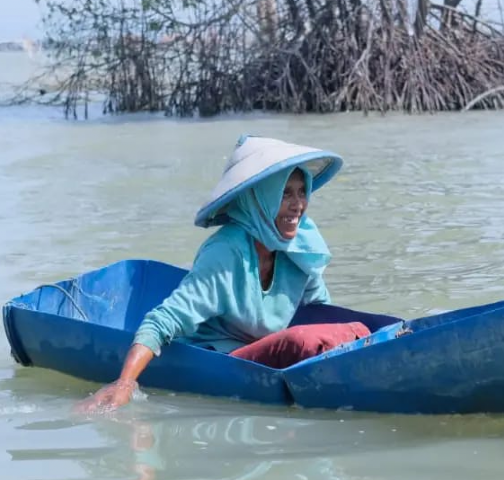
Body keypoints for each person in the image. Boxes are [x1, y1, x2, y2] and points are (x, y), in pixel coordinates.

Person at [76, 135, 370, 414]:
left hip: (268, 351)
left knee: (353, 329)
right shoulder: (226, 252)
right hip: (222, 357)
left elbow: (321, 311)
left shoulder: (300, 244)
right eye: (285, 194)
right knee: (300, 342)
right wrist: (124, 383)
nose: (298, 205)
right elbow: (161, 321)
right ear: (260, 199)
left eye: (302, 192)